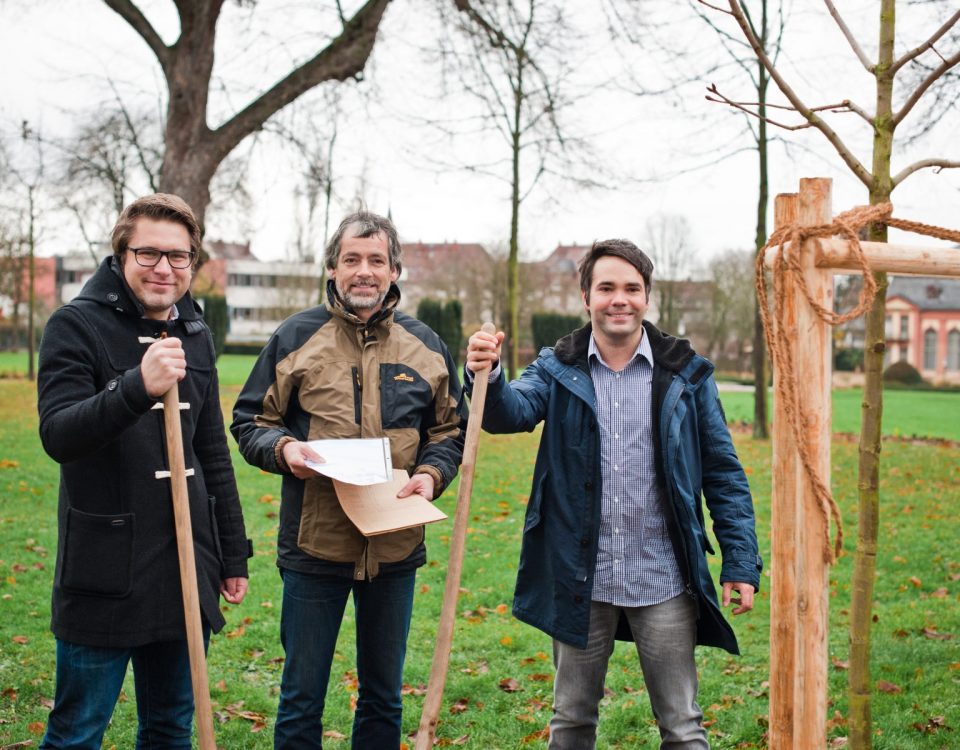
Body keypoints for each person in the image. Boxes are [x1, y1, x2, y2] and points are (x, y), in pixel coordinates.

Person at [465, 239, 762, 749]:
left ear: (647, 297)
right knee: (572, 722)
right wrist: (486, 375)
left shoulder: (686, 373)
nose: (618, 299)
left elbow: (723, 471)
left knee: (683, 727)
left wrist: (740, 559)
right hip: (583, 578)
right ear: (586, 297)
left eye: (631, 288)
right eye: (606, 288)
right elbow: (508, 414)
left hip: (663, 579)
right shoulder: (558, 366)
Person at [231, 210, 466, 749]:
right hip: (315, 546)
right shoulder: (295, 336)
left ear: (394, 271)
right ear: (332, 269)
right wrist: (283, 449)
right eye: (352, 259)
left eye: (376, 260)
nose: (364, 271)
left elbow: (449, 430)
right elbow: (250, 421)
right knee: (301, 697)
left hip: (394, 545)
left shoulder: (426, 345)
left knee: (384, 696)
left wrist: (432, 475)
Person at [36, 193, 252, 749]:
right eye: (149, 253)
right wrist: (135, 386)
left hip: (187, 566)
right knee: (77, 732)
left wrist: (232, 554)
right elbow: (59, 434)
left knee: (168, 727)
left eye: (179, 257)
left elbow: (213, 453)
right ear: (121, 254)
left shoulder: (196, 331)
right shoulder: (74, 326)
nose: (165, 268)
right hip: (105, 566)